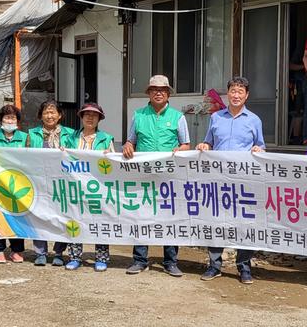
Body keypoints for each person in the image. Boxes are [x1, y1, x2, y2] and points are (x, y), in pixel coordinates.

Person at [196, 77, 265, 284]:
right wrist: (205, 146)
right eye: (233, 91)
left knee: (245, 223)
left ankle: (244, 267)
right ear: (228, 94)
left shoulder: (254, 120)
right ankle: (214, 265)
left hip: (243, 181)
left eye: (240, 91)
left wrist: (258, 150)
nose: (236, 95)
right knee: (216, 220)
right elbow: (209, 141)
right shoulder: (216, 118)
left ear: (246, 95)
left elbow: (260, 146)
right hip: (218, 180)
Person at [122, 75, 190, 276]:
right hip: (144, 176)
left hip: (169, 176)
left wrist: (182, 149)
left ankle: (170, 261)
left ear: (168, 93)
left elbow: (186, 144)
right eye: (154, 89)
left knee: (170, 217)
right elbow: (130, 141)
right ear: (149, 93)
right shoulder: (138, 115)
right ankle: (140, 260)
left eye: (162, 90)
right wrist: (127, 145)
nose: (158, 93)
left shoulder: (178, 117)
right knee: (142, 216)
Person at [64, 102, 114, 272]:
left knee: (100, 220)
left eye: (94, 115)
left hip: (97, 188)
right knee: (75, 219)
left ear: (99, 118)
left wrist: (110, 156)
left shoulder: (106, 139)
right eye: (87, 114)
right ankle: (75, 256)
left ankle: (101, 257)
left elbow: (114, 164)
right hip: (75, 186)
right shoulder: (71, 138)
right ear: (81, 117)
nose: (90, 117)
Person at [28, 99, 75, 267]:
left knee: (61, 217)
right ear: (41, 116)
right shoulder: (32, 134)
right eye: (46, 112)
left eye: (52, 112)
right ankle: (40, 252)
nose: (49, 116)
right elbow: (23, 155)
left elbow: (77, 154)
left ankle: (59, 252)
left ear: (60, 115)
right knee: (39, 215)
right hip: (39, 181)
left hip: (62, 183)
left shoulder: (71, 134)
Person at [0, 104, 29, 264]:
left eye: (13, 118)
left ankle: (17, 250)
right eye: (7, 117)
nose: (9, 120)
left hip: (18, 185)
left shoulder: (25, 138)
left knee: (17, 216)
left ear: (17, 121)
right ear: (1, 120)